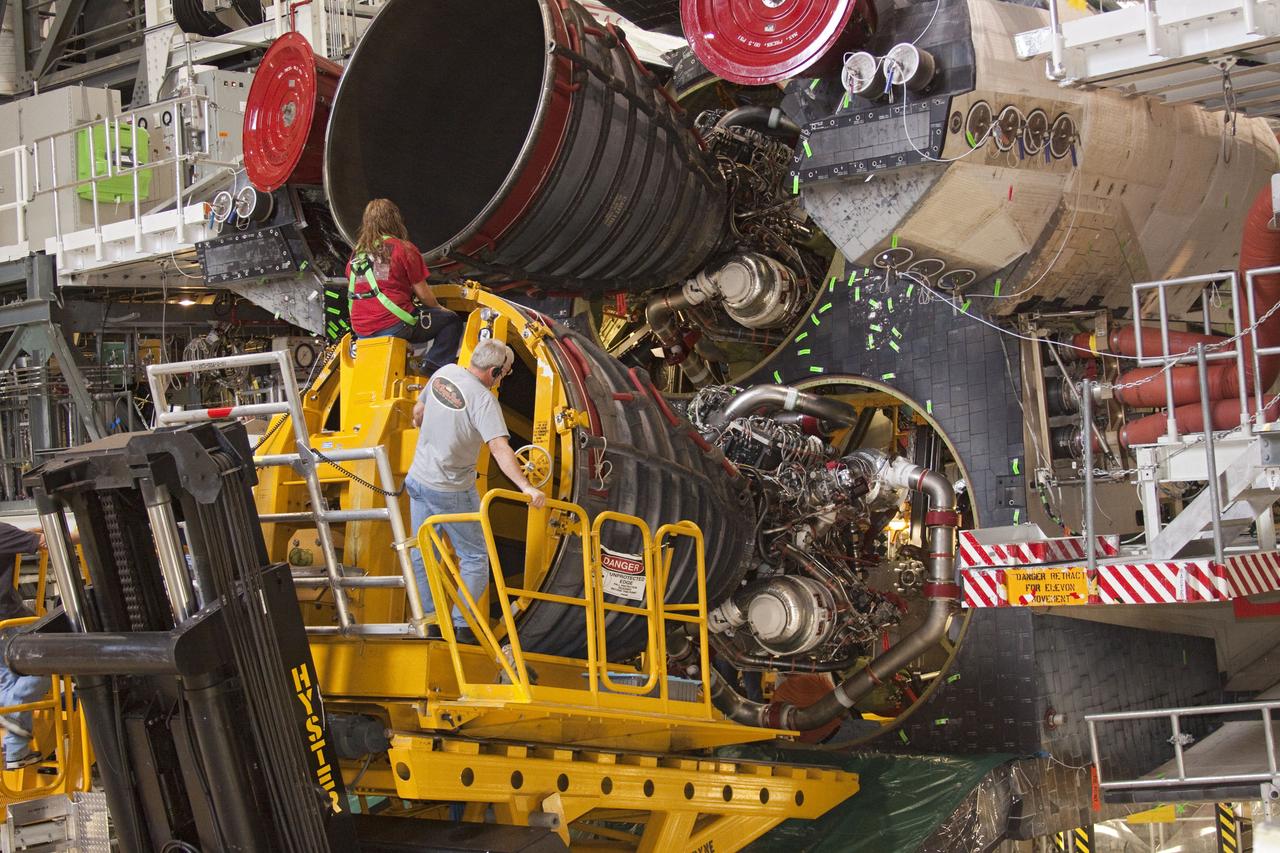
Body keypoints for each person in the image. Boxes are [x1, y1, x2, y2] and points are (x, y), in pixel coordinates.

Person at [408, 339, 547, 641]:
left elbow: (418, 413)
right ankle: (463, 625)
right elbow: (499, 447)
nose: (504, 379)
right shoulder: (483, 401)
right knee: (474, 558)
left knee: (422, 552)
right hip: (450, 489)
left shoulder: (444, 373)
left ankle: (431, 622)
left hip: (418, 480)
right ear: (494, 371)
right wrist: (526, 486)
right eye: (505, 374)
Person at [346, 198, 463, 373]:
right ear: (395, 220)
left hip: (361, 330)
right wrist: (440, 309)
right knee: (450, 321)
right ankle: (433, 366)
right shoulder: (403, 249)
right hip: (394, 324)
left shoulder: (356, 256)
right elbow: (424, 295)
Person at [0, 523, 49, 769]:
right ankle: (15, 742)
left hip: (6, 628)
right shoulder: (1, 532)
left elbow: (18, 535)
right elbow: (44, 542)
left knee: (6, 681)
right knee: (48, 662)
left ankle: (13, 749)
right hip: (7, 624)